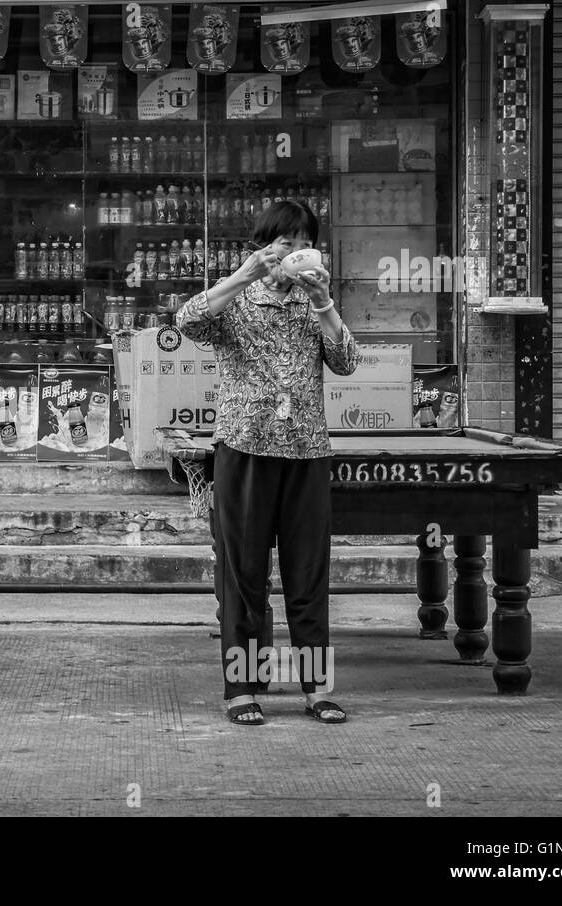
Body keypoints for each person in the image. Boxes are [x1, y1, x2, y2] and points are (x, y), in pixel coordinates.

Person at [176, 200, 360, 727]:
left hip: (306, 453)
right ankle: (242, 688)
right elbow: (186, 321)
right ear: (264, 245)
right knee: (243, 577)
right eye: (282, 240)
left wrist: (325, 302)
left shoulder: (313, 300)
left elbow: (347, 363)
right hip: (244, 450)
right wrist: (242, 274)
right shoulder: (237, 298)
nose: (291, 249)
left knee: (309, 577)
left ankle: (316, 689)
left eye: (301, 239)